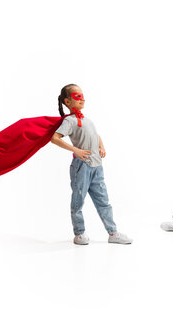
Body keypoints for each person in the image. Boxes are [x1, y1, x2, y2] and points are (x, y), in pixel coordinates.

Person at [50, 84, 132, 246]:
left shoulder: (86, 120)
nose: (83, 99)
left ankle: (113, 232)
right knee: (78, 200)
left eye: (83, 95)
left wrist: (101, 146)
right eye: (77, 96)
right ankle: (79, 233)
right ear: (67, 101)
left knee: (103, 201)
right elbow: (55, 138)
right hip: (81, 166)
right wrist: (76, 150)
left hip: (96, 166)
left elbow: (96, 135)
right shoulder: (70, 121)